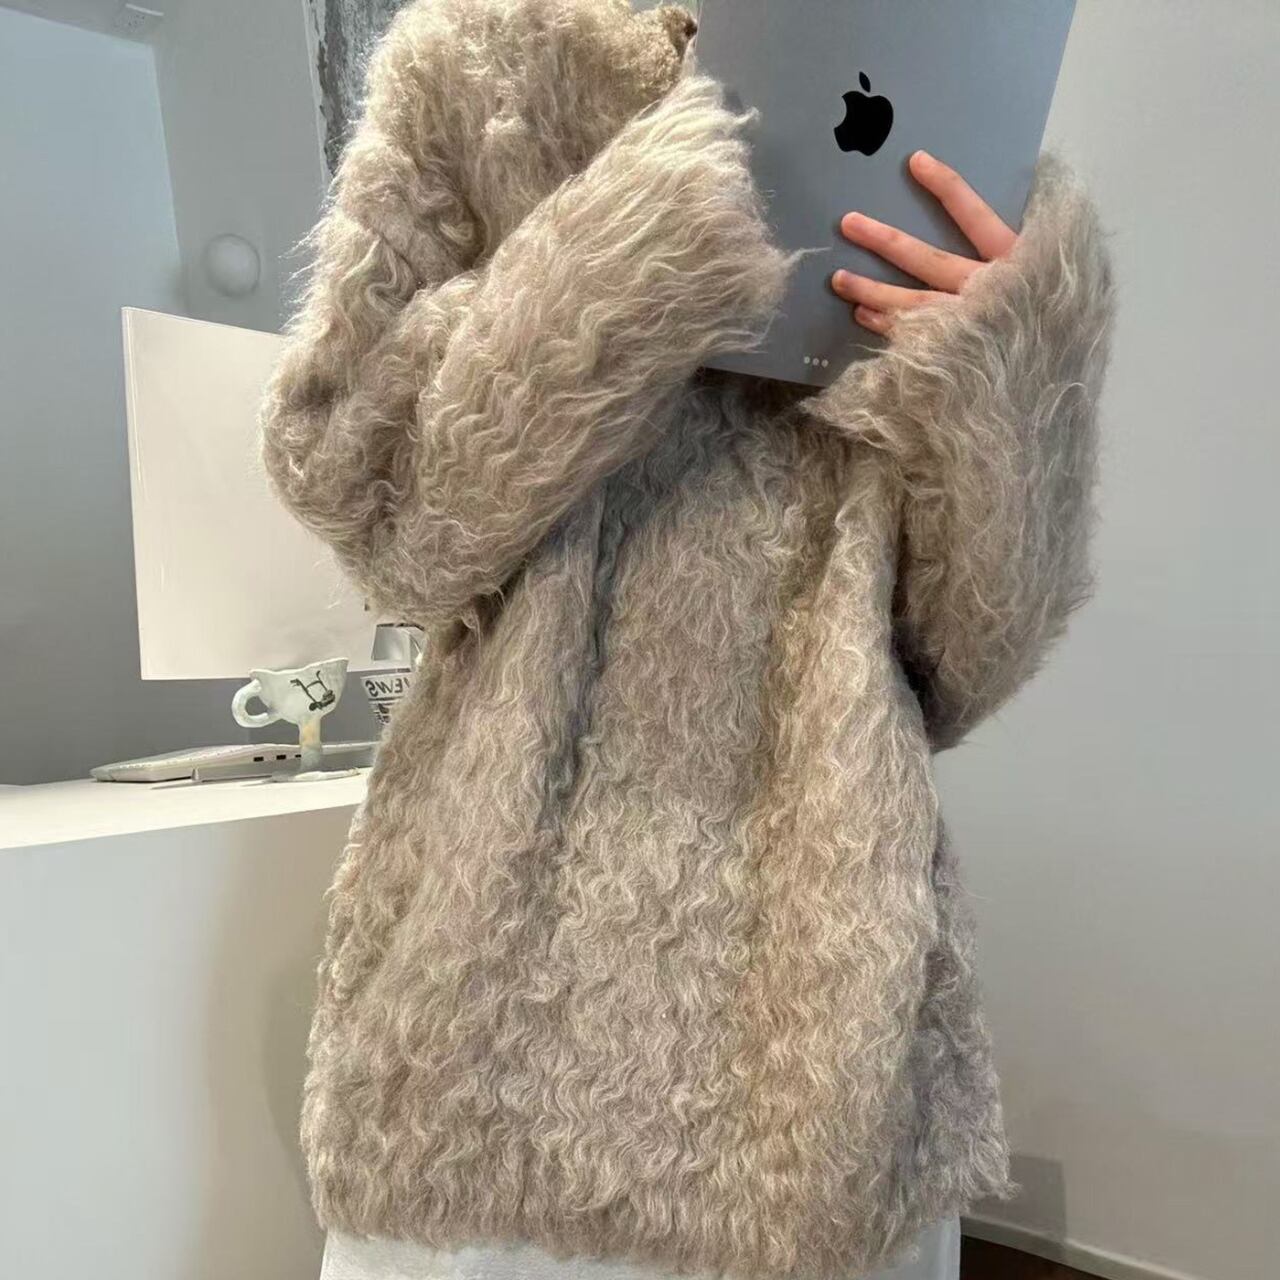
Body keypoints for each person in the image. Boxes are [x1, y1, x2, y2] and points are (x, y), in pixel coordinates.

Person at [259, 2, 1115, 1278]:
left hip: (820, 1020)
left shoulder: (967, 144)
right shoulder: (481, 59)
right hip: (491, 1016)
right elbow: (380, 513)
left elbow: (962, 662)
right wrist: (629, 253)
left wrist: (1002, 376)